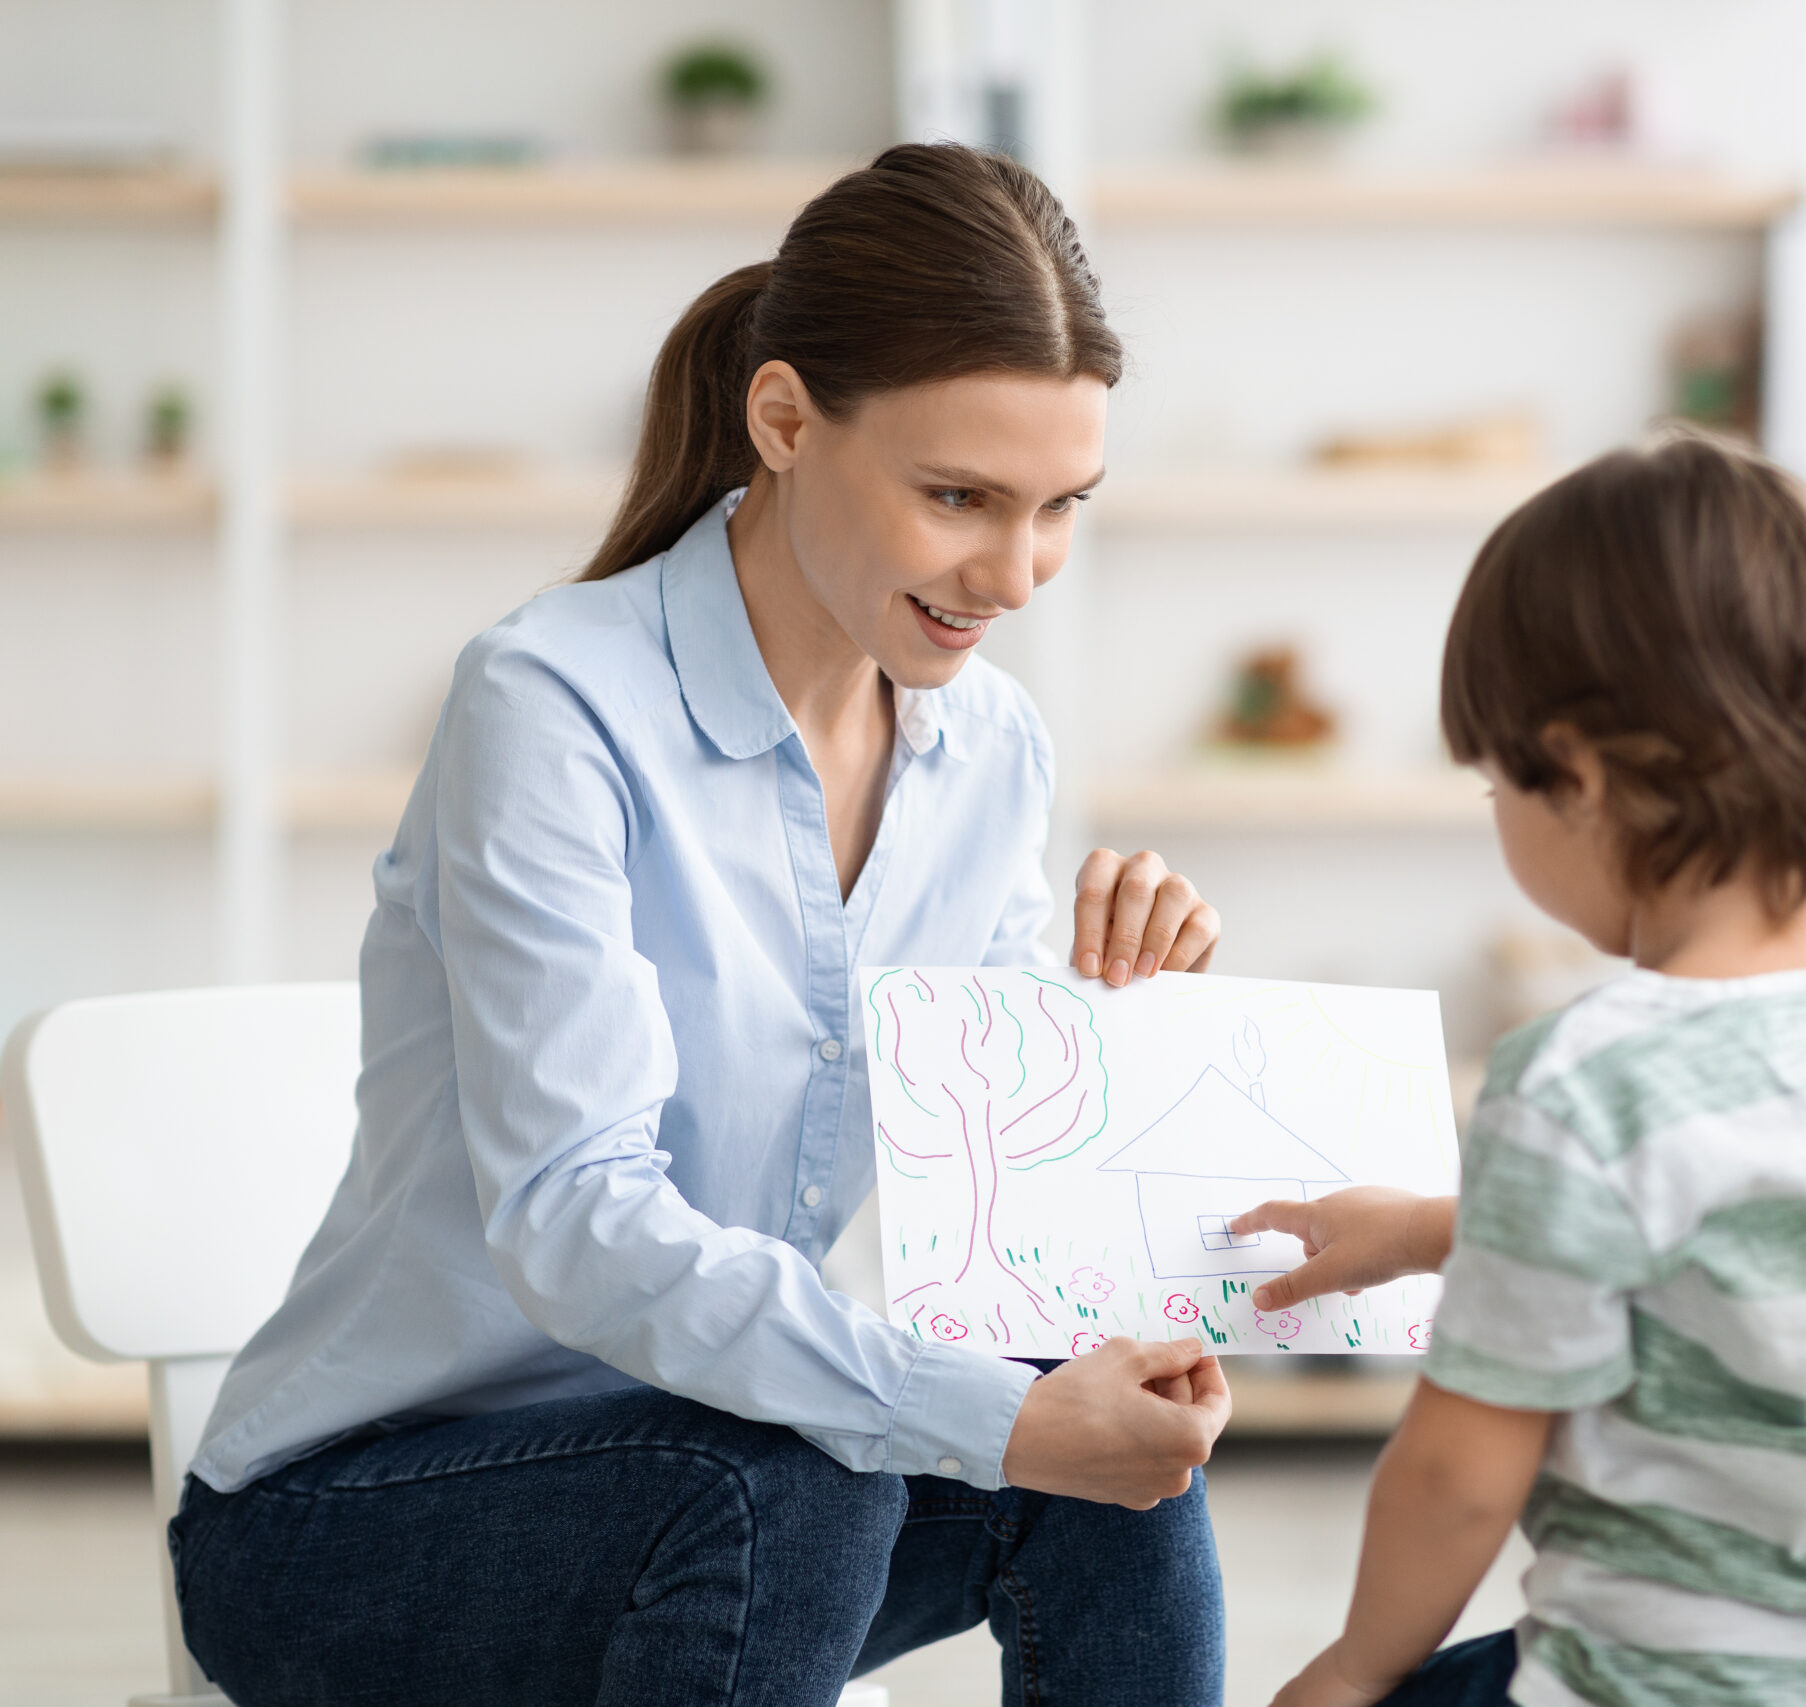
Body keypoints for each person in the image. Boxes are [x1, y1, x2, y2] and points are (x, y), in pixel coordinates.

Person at [171, 145, 1232, 1707]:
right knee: (797, 1477)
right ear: (786, 419)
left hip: (723, 1483)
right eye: (959, 496)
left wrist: (1109, 1026)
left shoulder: (988, 748)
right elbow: (579, 1216)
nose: (1015, 573)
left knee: (1111, 1477)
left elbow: (984, 1234)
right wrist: (980, 1412)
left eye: (1060, 506)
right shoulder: (549, 703)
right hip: (356, 1523)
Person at [1240, 430, 1806, 1707]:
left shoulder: (1581, 1077)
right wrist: (1424, 1230)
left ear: (1574, 771)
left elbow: (1456, 1482)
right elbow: (1737, 1235)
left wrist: (1350, 1671)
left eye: (1492, 784)